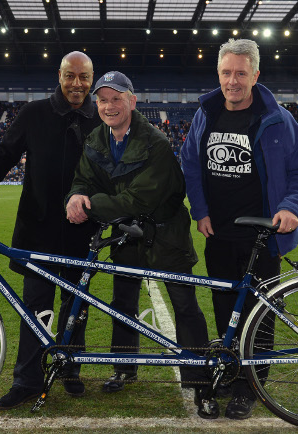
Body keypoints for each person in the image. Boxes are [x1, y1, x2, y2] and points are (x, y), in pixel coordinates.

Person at [180, 39, 298, 420]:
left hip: (263, 237)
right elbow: (191, 164)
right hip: (219, 233)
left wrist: (291, 207)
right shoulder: (205, 114)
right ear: (219, 75)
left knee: (260, 317)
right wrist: (201, 210)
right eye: (226, 73)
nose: (232, 81)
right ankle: (230, 371)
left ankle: (250, 385)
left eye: (240, 73)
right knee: (226, 310)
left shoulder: (279, 119)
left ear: (255, 75)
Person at [65, 71, 214, 417]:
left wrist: (88, 205)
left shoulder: (156, 144)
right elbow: (82, 178)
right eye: (102, 100)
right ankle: (124, 367)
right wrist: (75, 195)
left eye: (116, 98)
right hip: (126, 235)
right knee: (123, 303)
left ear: (132, 102)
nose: (109, 106)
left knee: (186, 308)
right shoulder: (96, 138)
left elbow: (137, 199)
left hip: (165, 235)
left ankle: (200, 383)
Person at [0, 51, 102, 410]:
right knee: (35, 307)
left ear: (92, 79)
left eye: (84, 77)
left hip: (82, 229)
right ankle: (27, 379)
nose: (77, 84)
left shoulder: (101, 118)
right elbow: (3, 154)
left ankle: (70, 367)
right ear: (59, 76)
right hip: (38, 228)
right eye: (70, 76)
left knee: (77, 305)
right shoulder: (34, 113)